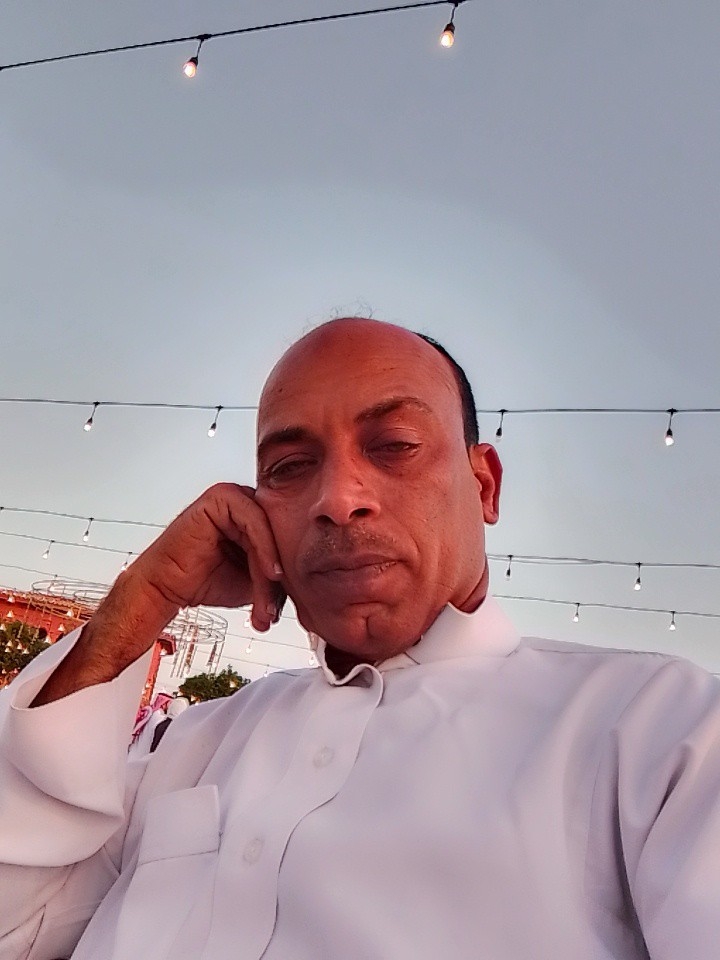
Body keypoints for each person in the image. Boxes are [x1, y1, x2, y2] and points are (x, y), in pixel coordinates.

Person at [1, 317, 719, 960]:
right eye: (290, 467)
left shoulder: (660, 731)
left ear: (484, 486)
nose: (338, 499)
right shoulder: (193, 742)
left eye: (394, 446)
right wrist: (141, 600)